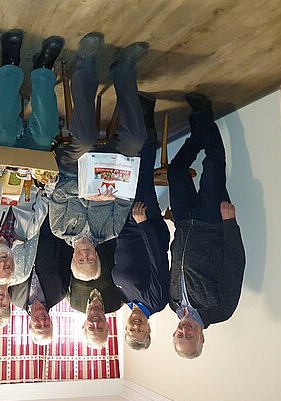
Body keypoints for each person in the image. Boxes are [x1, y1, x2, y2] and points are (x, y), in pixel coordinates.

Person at [0, 30, 64, 294]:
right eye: (7, 267)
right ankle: (43, 69)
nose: (2, 262)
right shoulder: (27, 232)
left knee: (5, 131)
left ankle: (10, 63)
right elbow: (46, 198)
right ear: (14, 262)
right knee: (45, 135)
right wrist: (50, 181)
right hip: (28, 167)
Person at [49, 33, 149, 281]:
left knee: (84, 139)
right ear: (97, 256)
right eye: (91, 260)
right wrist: (116, 189)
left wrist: (85, 191)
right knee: (136, 140)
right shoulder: (111, 230)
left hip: (72, 168)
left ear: (73, 258)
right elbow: (125, 200)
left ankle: (85, 65)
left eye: (80, 261)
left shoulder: (59, 229)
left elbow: (58, 194)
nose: (85, 256)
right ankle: (124, 71)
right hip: (108, 169)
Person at [168, 92, 246, 359]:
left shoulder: (173, 304)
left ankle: (199, 131)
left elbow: (174, 265)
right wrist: (230, 224)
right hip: (212, 222)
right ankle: (202, 112)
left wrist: (176, 236)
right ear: (202, 337)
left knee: (176, 171)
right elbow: (234, 265)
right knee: (213, 163)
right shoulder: (221, 310)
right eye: (190, 337)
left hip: (183, 223)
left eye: (180, 335)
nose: (185, 331)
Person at [112, 95, 170, 351]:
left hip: (125, 225)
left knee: (128, 172)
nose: (135, 326)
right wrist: (143, 224)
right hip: (143, 223)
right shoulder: (156, 302)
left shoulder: (124, 299)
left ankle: (131, 117)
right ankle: (146, 112)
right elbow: (158, 260)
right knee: (143, 172)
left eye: (131, 330)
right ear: (149, 329)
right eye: (140, 330)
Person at [8, 216, 74, 345]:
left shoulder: (13, 297)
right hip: (47, 233)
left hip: (20, 236)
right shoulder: (59, 294)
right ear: (51, 322)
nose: (42, 321)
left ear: (30, 325)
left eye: (38, 326)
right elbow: (66, 255)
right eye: (47, 325)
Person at [67, 239, 122, 349]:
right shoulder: (116, 302)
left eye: (91, 328)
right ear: (107, 325)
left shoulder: (73, 302)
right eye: (100, 328)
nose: (96, 323)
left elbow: (67, 265)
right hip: (108, 238)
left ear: (84, 325)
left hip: (78, 241)